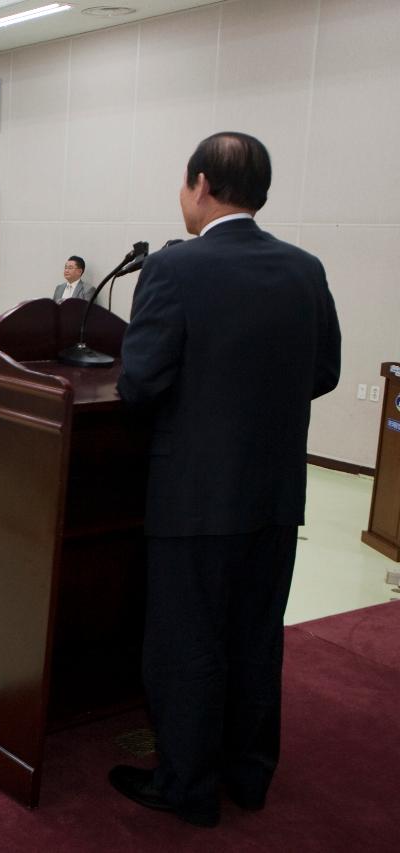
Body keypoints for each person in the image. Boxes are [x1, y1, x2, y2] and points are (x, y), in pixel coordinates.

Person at [108, 133, 342, 827]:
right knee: (256, 636)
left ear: (201, 184)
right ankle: (250, 774)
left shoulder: (177, 270)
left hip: (194, 497)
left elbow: (140, 383)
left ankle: (187, 786)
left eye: (184, 184)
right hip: (275, 496)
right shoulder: (305, 268)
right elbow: (324, 373)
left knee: (188, 644)